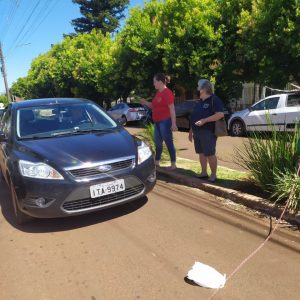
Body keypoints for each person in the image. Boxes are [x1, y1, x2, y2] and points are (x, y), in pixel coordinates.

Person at [189, 79, 224, 182]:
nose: (197, 88)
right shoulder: (199, 101)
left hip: (208, 131)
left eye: (198, 86)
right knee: (201, 153)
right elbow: (194, 117)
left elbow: (220, 114)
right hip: (197, 131)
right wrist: (191, 131)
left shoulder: (214, 99)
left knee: (209, 153)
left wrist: (205, 120)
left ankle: (213, 175)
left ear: (204, 88)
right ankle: (204, 172)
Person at [140, 73, 177, 170]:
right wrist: (145, 102)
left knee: (168, 142)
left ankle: (173, 164)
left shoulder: (167, 93)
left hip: (165, 121)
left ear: (160, 82)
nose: (153, 84)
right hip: (157, 122)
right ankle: (157, 163)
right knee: (158, 143)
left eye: (154, 82)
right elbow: (153, 106)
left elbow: (172, 109)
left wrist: (173, 123)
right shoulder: (158, 93)